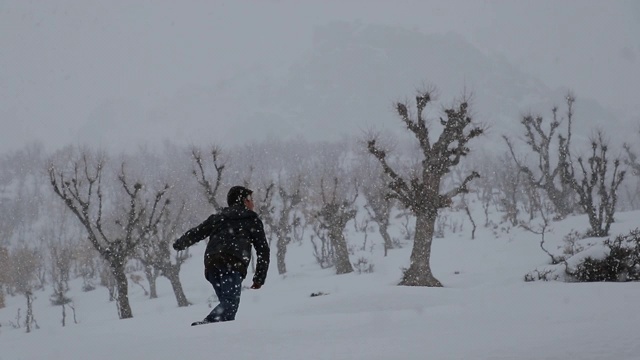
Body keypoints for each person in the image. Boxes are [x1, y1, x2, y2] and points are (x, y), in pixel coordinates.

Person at [173, 186, 270, 326]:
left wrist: (180, 244)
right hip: (232, 263)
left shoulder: (219, 217)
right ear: (244, 201)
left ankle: (218, 339)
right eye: (251, 200)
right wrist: (259, 278)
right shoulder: (251, 219)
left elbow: (198, 232)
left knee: (226, 307)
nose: (253, 203)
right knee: (230, 305)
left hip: (212, 264)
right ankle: (206, 325)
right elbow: (263, 250)